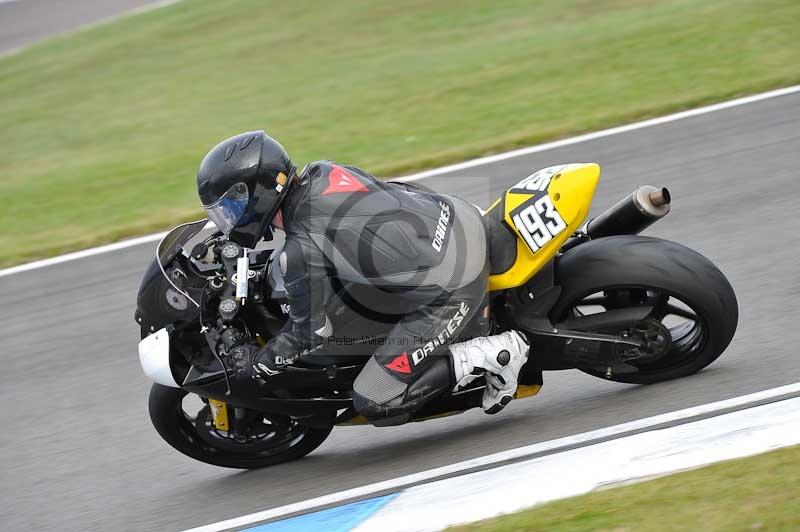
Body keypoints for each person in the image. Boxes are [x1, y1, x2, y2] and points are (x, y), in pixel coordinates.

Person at [197, 130, 530, 424]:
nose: (228, 219)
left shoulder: (299, 250)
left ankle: (496, 352)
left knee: (374, 399)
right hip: (457, 219)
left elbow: (311, 334)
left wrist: (258, 364)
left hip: (452, 286)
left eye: (231, 208)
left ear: (258, 193)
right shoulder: (323, 172)